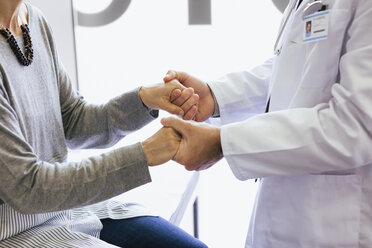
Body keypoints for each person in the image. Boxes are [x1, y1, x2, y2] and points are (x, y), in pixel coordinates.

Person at [163, 0, 372, 247]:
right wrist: (216, 96)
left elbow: (355, 125)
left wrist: (224, 142)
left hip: (333, 225)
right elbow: (294, 70)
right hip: (286, 213)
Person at [0, 1, 207, 247]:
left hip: (64, 208)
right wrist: (146, 154)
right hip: (12, 230)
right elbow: (28, 188)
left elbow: (73, 120)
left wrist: (145, 99)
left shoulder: (33, 20)